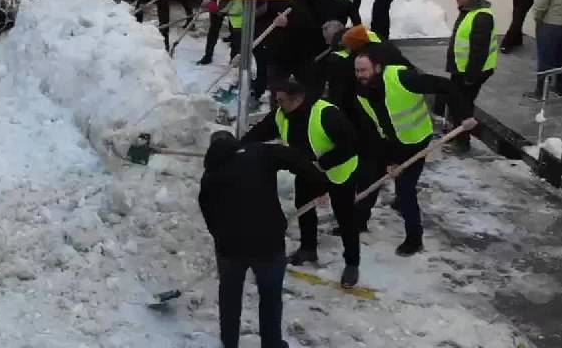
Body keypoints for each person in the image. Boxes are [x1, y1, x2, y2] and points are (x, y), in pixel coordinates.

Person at [198, 130, 325, 348]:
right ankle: (272, 343)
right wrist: (320, 184)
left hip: (230, 249)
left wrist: (221, 237)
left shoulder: (210, 175)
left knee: (230, 298)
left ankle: (229, 343)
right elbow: (294, 157)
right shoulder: (259, 153)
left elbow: (208, 213)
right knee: (271, 297)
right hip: (269, 242)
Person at [242, 79, 364, 287]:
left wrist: (323, 164)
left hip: (338, 171)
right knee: (304, 206)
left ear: (298, 98)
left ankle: (352, 263)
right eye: (276, 99)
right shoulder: (282, 114)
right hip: (308, 170)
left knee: (345, 217)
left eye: (281, 100)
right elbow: (261, 132)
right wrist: (238, 146)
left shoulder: (326, 114)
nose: (277, 104)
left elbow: (351, 144)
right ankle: (308, 249)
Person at [353, 49, 464, 256]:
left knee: (405, 191)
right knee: (369, 179)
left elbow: (446, 85)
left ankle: (414, 239)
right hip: (390, 141)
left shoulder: (402, 78)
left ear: (377, 67)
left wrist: (463, 116)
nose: (360, 75)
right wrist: (388, 160)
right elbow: (377, 126)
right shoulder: (363, 91)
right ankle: (358, 223)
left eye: (364, 70)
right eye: (357, 71)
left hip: (415, 141)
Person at [445, 0, 499, 154]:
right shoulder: (468, 11)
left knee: (463, 105)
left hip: (471, 72)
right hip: (462, 69)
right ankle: (458, 136)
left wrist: (470, 77)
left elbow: (479, 51)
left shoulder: (482, 16)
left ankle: (462, 142)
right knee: (457, 103)